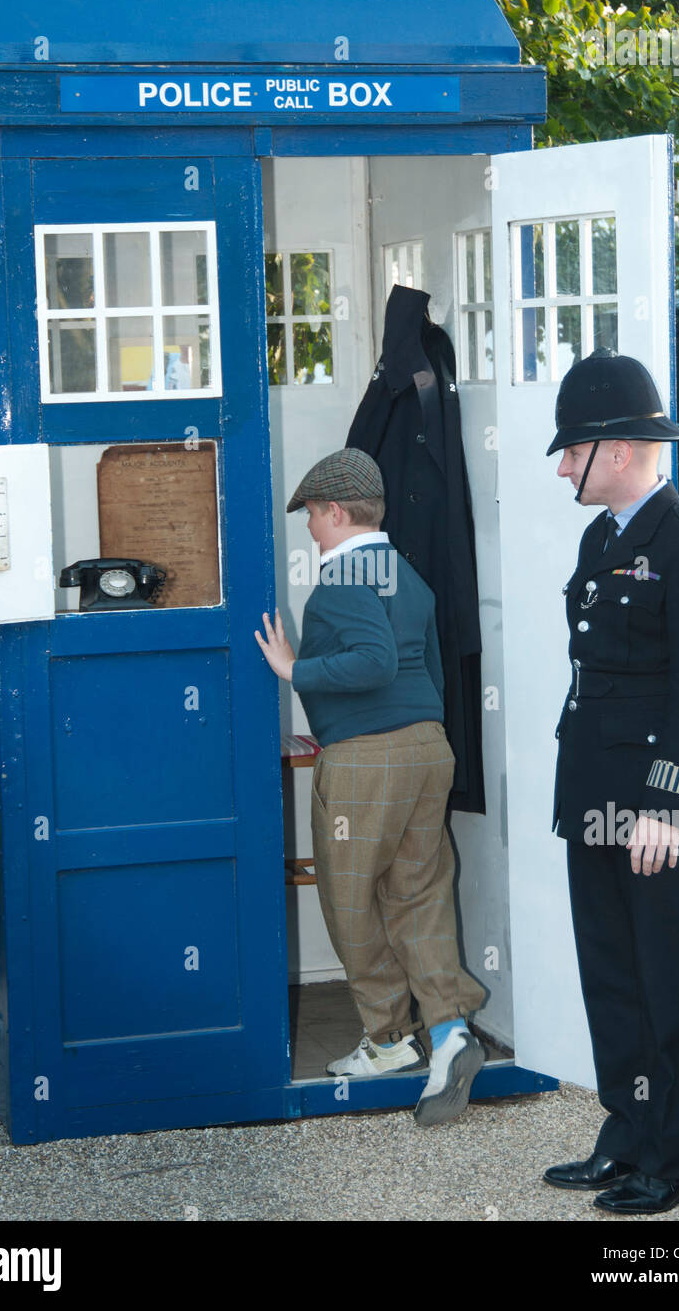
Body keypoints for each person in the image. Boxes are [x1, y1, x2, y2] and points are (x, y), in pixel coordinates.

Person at [542, 351, 679, 1215]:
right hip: (595, 796)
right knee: (612, 976)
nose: (561, 468)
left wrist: (668, 804)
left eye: (571, 450)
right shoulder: (602, 540)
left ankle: (678, 1160)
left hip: (656, 807)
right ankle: (627, 1135)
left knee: (672, 980)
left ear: (616, 450)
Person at [255, 447, 485, 1126]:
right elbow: (427, 673)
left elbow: (372, 660)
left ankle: (387, 1040)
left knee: (351, 901)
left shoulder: (344, 577)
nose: (307, 531)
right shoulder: (405, 576)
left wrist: (294, 670)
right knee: (419, 897)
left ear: (333, 511)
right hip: (425, 748)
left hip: (365, 762)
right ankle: (449, 1034)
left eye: (310, 517)